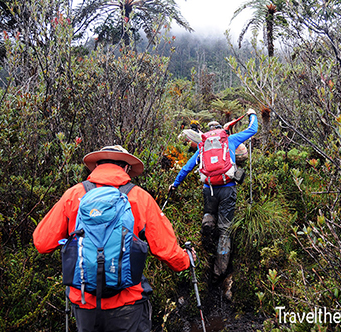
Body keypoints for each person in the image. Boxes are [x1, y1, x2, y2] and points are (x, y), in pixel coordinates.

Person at [33, 145, 191, 332]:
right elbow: (167, 250)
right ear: (125, 168)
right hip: (127, 303)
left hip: (84, 303)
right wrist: (186, 260)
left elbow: (42, 243)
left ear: (97, 166)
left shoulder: (73, 195)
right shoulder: (139, 198)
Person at [170, 108, 258, 278]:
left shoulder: (203, 146)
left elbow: (188, 167)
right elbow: (252, 130)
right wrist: (252, 114)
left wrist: (175, 184)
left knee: (209, 213)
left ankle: (207, 234)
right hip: (227, 187)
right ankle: (220, 270)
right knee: (225, 230)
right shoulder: (230, 140)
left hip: (208, 189)